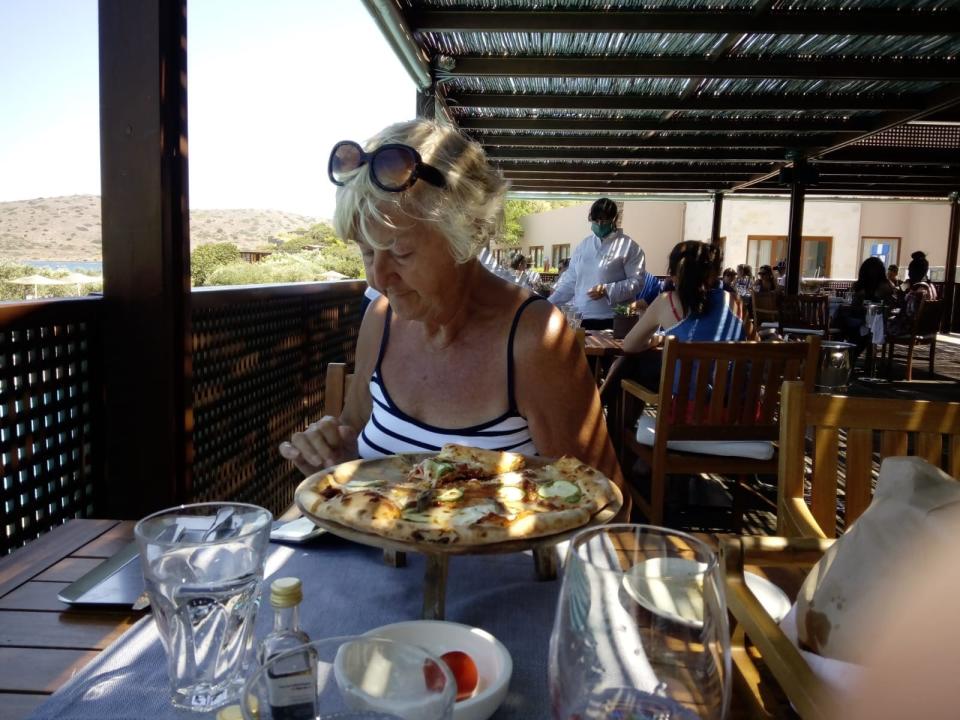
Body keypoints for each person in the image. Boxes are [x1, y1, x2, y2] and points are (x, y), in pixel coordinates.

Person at [279, 119, 625, 505]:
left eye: (400, 252)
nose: (378, 278)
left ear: (467, 235)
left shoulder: (534, 338)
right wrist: (332, 459)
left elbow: (604, 505)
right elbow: (354, 440)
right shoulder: (381, 318)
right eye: (366, 251)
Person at [620, 242, 748, 389]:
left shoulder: (666, 301)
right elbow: (755, 345)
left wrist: (655, 341)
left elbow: (629, 345)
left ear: (673, 275)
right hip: (742, 408)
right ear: (711, 274)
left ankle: (603, 406)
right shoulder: (734, 302)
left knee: (628, 365)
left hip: (689, 409)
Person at [547, 198, 645, 330]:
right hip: (582, 318)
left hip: (614, 320)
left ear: (614, 219)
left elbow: (637, 282)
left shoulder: (629, 247)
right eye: (595, 220)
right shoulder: (583, 246)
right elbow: (570, 281)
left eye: (604, 220)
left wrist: (607, 290)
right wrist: (548, 304)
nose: (599, 224)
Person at [838, 256, 896, 365]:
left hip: (876, 323)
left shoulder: (883, 287)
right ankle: (846, 357)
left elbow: (881, 307)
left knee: (853, 328)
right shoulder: (881, 285)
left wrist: (862, 297)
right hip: (865, 320)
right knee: (850, 325)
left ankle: (846, 357)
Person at [887, 251, 937, 337]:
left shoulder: (917, 291)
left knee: (880, 323)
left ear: (912, 272)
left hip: (912, 328)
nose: (909, 274)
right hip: (927, 329)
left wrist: (902, 296)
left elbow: (909, 313)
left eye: (910, 271)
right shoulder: (931, 286)